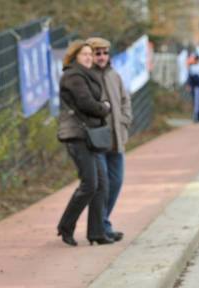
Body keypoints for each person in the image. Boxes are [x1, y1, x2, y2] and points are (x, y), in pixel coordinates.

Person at [56, 40, 113, 246]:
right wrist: (104, 107)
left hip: (89, 134)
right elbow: (86, 103)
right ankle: (66, 226)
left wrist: (101, 107)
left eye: (90, 54)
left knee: (101, 184)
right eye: (84, 54)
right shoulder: (73, 76)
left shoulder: (87, 75)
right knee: (89, 183)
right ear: (75, 57)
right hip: (77, 135)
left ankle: (96, 232)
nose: (89, 57)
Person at [87, 37, 132, 242]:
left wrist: (124, 121)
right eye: (97, 53)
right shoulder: (86, 77)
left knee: (116, 182)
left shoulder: (115, 75)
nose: (102, 57)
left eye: (105, 53)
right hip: (97, 140)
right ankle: (101, 226)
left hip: (116, 138)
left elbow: (125, 100)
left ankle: (103, 222)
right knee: (101, 184)